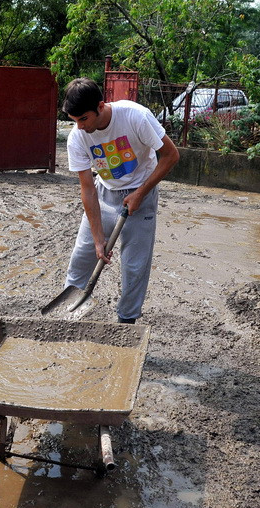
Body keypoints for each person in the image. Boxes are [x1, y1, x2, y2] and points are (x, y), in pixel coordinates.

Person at [62, 77, 179, 324]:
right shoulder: (78, 137)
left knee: (134, 266)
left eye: (84, 119)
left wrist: (141, 193)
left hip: (141, 195)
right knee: (81, 257)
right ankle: (67, 315)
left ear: (100, 106)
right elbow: (87, 190)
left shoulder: (136, 117)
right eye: (75, 121)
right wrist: (98, 239)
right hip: (104, 194)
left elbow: (171, 155)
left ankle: (127, 321)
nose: (80, 127)